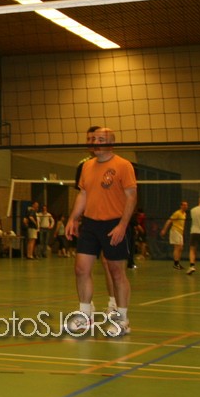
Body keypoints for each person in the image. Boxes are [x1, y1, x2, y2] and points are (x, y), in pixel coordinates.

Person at [65, 127, 137, 336]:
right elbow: (83, 194)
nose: (95, 142)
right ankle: (84, 316)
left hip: (114, 224)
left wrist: (122, 225)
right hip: (90, 225)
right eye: (94, 139)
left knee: (117, 273)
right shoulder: (86, 166)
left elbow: (131, 196)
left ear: (110, 143)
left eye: (101, 139)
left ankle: (122, 320)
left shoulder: (123, 165)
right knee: (81, 269)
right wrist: (73, 218)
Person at [160, 202, 187, 270]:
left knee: (181, 248)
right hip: (175, 231)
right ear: (181, 206)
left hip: (180, 232)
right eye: (184, 205)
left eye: (186, 205)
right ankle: (176, 264)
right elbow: (169, 221)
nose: (185, 206)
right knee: (177, 247)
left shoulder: (184, 214)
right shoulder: (177, 213)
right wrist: (164, 230)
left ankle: (178, 263)